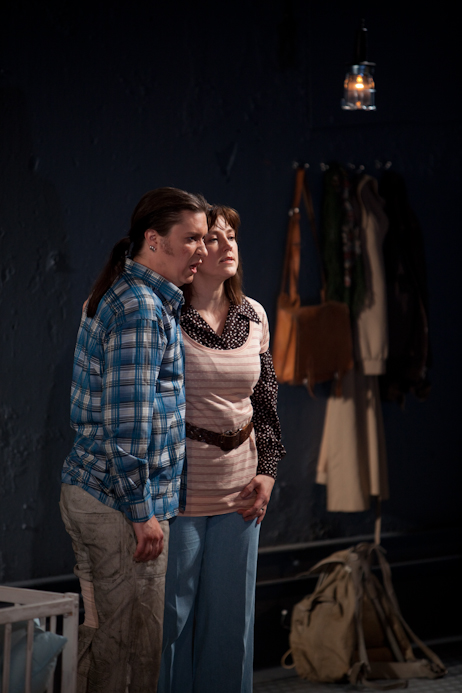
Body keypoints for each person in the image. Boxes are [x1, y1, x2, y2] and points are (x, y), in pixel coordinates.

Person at [59, 187, 209, 693]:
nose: (202, 250)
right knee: (129, 657)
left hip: (103, 497)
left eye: (205, 239)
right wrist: (142, 512)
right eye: (191, 238)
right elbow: (127, 425)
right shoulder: (141, 307)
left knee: (110, 640)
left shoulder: (133, 294)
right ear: (154, 239)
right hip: (118, 505)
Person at [159, 205, 286, 693]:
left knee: (232, 624)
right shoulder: (169, 312)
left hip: (241, 490)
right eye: (213, 238)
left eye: (231, 236)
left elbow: (266, 400)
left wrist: (268, 470)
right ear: (194, 251)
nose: (227, 245)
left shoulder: (253, 314)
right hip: (181, 491)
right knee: (171, 622)